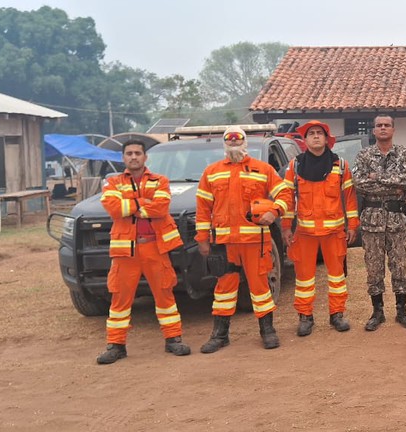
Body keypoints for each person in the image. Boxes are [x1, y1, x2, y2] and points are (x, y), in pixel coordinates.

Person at [196, 126, 292, 352]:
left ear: (245, 143)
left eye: (238, 140)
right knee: (224, 289)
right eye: (229, 141)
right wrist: (202, 238)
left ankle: (267, 331)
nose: (234, 144)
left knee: (260, 287)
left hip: (254, 242)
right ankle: (220, 335)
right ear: (224, 144)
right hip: (224, 244)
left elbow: (285, 193)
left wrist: (275, 211)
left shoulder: (263, 169)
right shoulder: (211, 172)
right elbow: (202, 208)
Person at [96, 140, 190, 364]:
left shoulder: (161, 181)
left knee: (165, 293)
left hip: (155, 248)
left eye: (138, 153)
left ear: (145, 157)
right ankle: (116, 345)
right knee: (119, 298)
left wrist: (130, 204)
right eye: (129, 153)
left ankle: (173, 339)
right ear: (123, 158)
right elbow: (114, 208)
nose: (134, 156)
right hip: (125, 251)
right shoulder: (113, 181)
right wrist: (142, 202)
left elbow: (160, 208)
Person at [282, 121, 359, 335]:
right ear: (304, 140)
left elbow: (350, 199)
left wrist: (352, 225)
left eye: (319, 133)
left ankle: (337, 315)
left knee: (336, 277)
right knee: (304, 278)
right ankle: (305, 317)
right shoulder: (294, 166)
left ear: (327, 139)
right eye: (311, 134)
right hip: (304, 234)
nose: (316, 137)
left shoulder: (340, 166)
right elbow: (287, 198)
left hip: (334, 233)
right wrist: (286, 227)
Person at [352, 114, 406, 331]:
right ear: (373, 130)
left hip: (397, 218)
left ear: (393, 129)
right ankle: (377, 312)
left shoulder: (404, 154)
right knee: (373, 267)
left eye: (386, 125)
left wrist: (375, 177)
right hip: (371, 219)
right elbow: (359, 184)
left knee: (399, 265)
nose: (382, 128)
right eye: (378, 125)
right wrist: (391, 184)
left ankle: (402, 311)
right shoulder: (363, 155)